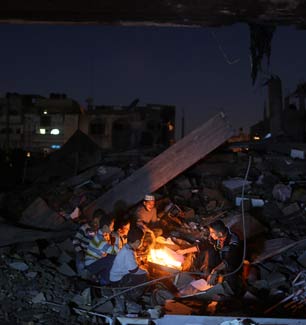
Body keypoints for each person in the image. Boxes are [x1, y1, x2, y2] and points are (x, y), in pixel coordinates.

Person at [110, 227, 148, 314]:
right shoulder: (128, 252)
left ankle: (127, 297)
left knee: (141, 273)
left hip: (116, 277)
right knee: (143, 277)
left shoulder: (126, 248)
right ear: (138, 242)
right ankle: (130, 299)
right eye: (141, 240)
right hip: (117, 281)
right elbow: (133, 270)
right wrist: (144, 271)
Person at [85, 213, 118, 285]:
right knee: (113, 258)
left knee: (111, 258)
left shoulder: (104, 235)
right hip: (91, 265)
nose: (113, 228)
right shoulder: (100, 239)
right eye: (112, 226)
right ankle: (104, 282)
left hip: (97, 261)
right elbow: (115, 251)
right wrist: (117, 238)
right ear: (106, 227)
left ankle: (103, 276)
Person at [72, 210, 102, 275]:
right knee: (81, 264)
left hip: (91, 255)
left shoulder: (99, 232)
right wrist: (80, 252)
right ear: (92, 219)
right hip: (82, 252)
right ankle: (80, 277)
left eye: (98, 222)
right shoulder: (85, 228)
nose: (96, 224)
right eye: (95, 221)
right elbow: (75, 241)